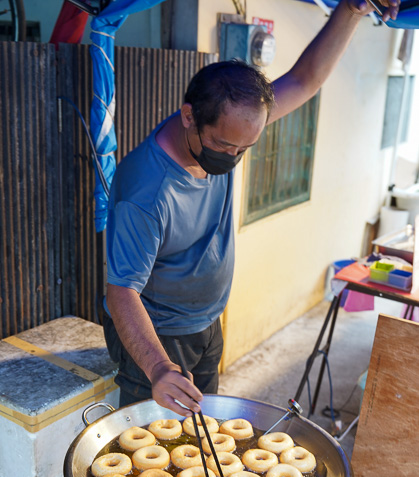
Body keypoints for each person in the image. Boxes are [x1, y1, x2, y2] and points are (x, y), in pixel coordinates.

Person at [103, 0, 399, 417]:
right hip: (159, 337)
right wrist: (158, 368)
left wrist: (350, 10)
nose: (233, 156)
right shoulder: (146, 192)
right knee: (154, 446)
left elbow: (305, 79)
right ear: (189, 116)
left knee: (204, 430)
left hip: (206, 323)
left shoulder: (237, 119)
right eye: (224, 145)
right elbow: (121, 292)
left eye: (245, 148)